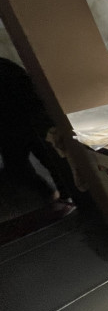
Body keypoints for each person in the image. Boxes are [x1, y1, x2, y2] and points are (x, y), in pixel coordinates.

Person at [0, 58, 71, 204]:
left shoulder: (5, 67)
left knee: (44, 162)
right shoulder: (6, 66)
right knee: (49, 161)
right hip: (24, 123)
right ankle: (61, 195)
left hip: (23, 124)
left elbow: (29, 92)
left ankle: (58, 195)